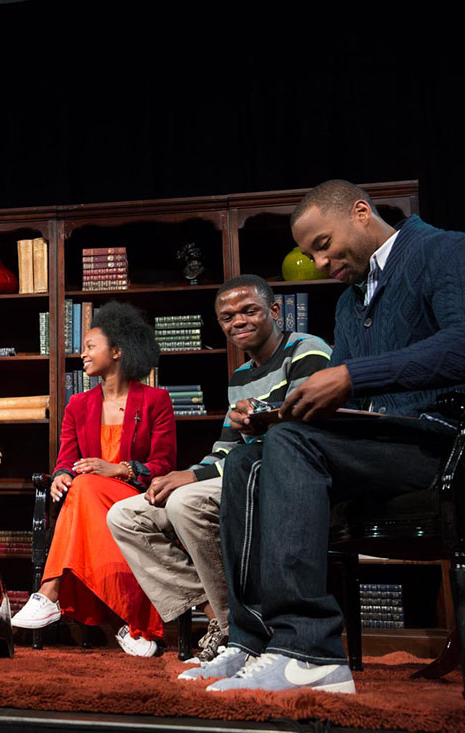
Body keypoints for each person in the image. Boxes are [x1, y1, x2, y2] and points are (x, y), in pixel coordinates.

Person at [184, 180, 465, 694]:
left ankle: (310, 652)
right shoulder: (348, 302)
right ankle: (254, 640)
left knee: (292, 445)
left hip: (440, 443)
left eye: (322, 245)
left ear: (361, 213)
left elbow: (460, 345)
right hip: (377, 447)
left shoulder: (444, 250)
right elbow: (343, 400)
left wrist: (354, 376)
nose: (317, 263)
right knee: (252, 457)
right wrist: (272, 413)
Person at [107, 275, 331, 662]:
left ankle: (238, 636)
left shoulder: (307, 348)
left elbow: (304, 429)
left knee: (186, 504)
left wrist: (192, 478)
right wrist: (184, 474)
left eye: (249, 311)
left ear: (274, 311)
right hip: (238, 472)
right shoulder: (240, 378)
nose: (238, 322)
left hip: (284, 474)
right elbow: (225, 450)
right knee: (126, 515)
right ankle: (221, 616)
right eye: (227, 317)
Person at [11, 301, 176, 656]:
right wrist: (59, 476)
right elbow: (67, 460)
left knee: (83, 490)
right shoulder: (78, 405)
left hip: (137, 498)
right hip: (89, 501)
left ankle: (50, 593)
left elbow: (163, 464)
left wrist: (118, 469)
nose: (81, 354)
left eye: (89, 347)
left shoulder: (156, 401)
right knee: (80, 487)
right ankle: (132, 627)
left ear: (116, 351)